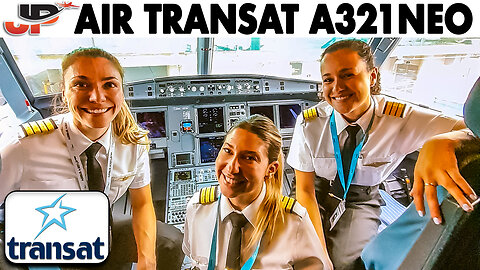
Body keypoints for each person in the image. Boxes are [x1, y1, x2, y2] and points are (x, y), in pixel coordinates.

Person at [286, 39, 475, 269]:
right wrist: (319, 255)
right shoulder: (309, 123)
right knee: (298, 258)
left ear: (372, 76)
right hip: (314, 190)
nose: (337, 87)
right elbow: (304, 190)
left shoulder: (401, 118)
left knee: (346, 264)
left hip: (360, 198)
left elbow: (471, 127)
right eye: (328, 80)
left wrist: (443, 141)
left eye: (347, 75)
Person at [0, 47, 183, 269]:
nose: (97, 97)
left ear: (121, 90)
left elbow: (142, 203)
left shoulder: (132, 143)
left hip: (102, 231)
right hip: (48, 245)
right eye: (81, 84)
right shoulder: (23, 148)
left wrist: (147, 259)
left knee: (171, 241)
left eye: (109, 84)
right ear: (65, 90)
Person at [183, 115, 332, 270]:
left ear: (270, 169)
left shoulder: (294, 221)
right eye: (228, 150)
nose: (232, 168)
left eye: (248, 158)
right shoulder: (197, 208)